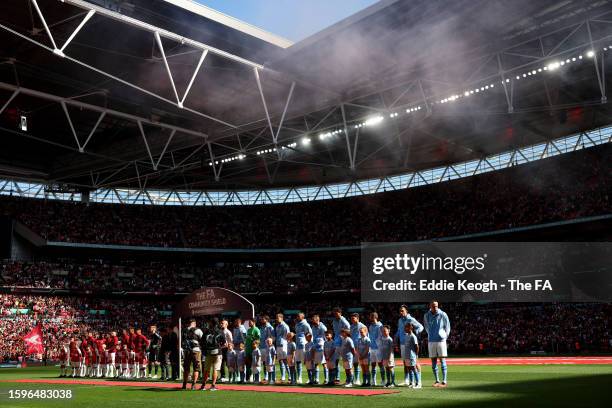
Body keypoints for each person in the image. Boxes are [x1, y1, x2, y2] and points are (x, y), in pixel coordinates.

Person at [423, 300, 451, 387]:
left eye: (436, 306)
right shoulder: (427, 315)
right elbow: (426, 326)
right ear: (430, 306)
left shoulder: (443, 314)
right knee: (433, 361)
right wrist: (430, 334)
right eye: (433, 306)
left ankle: (444, 381)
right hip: (431, 340)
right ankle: (437, 380)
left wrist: (444, 336)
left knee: (442, 360)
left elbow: (448, 326)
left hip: (441, 340)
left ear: (438, 305)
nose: (435, 307)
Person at [396, 305, 423, 386]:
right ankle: (407, 380)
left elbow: (421, 327)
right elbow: (399, 331)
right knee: (405, 363)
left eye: (402, 311)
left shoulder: (410, 319)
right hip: (402, 343)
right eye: (400, 311)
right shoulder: (400, 320)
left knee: (415, 362)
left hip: (410, 344)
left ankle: (419, 381)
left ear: (406, 311)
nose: (401, 312)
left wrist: (416, 332)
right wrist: (395, 338)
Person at [200, 318, 225, 391]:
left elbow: (202, 342)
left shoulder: (207, 331)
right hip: (217, 352)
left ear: (211, 323)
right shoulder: (220, 331)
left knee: (206, 370)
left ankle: (203, 385)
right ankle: (213, 385)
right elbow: (223, 342)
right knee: (215, 369)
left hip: (208, 352)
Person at [181, 319, 203, 390]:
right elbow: (203, 339)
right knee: (196, 368)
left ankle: (184, 385)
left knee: (186, 368)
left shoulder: (184, 330)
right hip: (196, 351)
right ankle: (193, 385)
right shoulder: (198, 330)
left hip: (187, 351)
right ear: (194, 323)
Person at [332, 307, 350, 382]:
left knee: (345, 361)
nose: (335, 315)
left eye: (337, 313)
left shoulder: (343, 320)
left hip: (343, 343)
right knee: (335, 361)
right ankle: (337, 378)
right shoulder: (334, 321)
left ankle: (349, 379)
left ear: (340, 313)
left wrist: (343, 335)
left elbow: (349, 329)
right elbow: (335, 331)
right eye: (334, 314)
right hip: (336, 342)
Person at [294, 312, 312, 384]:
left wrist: (308, 344)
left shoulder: (306, 324)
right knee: (298, 362)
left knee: (307, 362)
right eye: (297, 316)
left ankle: (310, 378)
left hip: (303, 345)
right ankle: (299, 378)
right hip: (297, 345)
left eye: (298, 316)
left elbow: (310, 334)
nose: (297, 317)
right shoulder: (296, 325)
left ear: (302, 317)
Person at [349, 313, 366, 385]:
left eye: (354, 318)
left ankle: (362, 380)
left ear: (357, 318)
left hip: (360, 347)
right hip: (353, 347)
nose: (352, 320)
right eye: (351, 318)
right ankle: (355, 379)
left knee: (362, 364)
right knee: (354, 364)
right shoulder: (351, 326)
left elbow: (366, 336)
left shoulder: (362, 326)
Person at [311, 314, 328, 384]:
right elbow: (313, 337)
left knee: (324, 363)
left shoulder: (323, 327)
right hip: (315, 346)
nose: (312, 322)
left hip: (322, 347)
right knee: (316, 364)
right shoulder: (313, 328)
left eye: (313, 320)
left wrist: (325, 346)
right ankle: (317, 379)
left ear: (317, 320)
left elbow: (326, 337)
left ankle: (326, 379)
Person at [368, 312, 384, 386]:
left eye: (371, 317)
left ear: (374, 317)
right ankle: (373, 381)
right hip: (372, 348)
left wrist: (378, 344)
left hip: (378, 348)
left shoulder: (380, 326)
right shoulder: (370, 326)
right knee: (373, 364)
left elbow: (381, 337)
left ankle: (383, 380)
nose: (369, 318)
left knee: (380, 364)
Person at [404, 323, 421, 389]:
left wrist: (416, 354)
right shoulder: (406, 335)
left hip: (412, 355)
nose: (404, 329)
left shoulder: (413, 336)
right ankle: (411, 383)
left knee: (414, 368)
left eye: (406, 327)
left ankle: (418, 383)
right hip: (407, 355)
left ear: (410, 328)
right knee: (409, 369)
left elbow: (417, 346)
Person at [259, 315, 275, 383]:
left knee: (270, 362)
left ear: (266, 320)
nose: (261, 320)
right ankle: (266, 376)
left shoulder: (270, 327)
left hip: (267, 347)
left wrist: (270, 344)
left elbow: (273, 337)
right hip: (262, 346)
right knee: (264, 363)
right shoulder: (261, 327)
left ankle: (272, 377)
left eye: (263, 319)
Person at [274, 313, 290, 383]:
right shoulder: (277, 326)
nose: (276, 319)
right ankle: (283, 377)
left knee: (285, 361)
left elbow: (288, 336)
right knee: (280, 361)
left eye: (278, 317)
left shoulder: (285, 326)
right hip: (278, 345)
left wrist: (287, 344)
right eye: (276, 317)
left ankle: (289, 376)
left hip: (284, 345)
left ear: (281, 318)